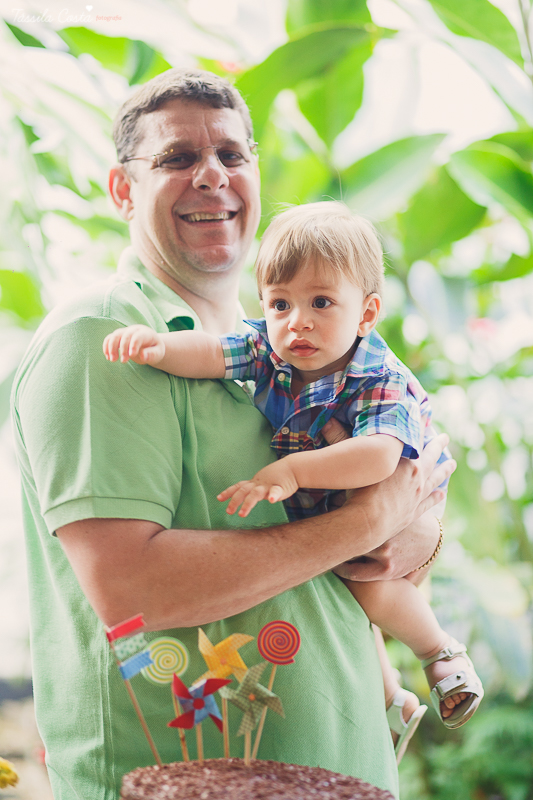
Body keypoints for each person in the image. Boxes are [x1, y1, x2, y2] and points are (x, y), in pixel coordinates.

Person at [11, 68, 454, 800]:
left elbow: (384, 532)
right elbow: (133, 588)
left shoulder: (289, 349)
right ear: (122, 191)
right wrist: (372, 517)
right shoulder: (104, 339)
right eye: (176, 158)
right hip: (179, 781)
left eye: (231, 156)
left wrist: (411, 528)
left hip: (334, 771)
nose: (210, 175)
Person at [104, 201, 483, 757]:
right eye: (279, 303)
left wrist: (293, 470)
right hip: (334, 507)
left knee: (369, 586)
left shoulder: (376, 376)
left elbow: (379, 459)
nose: (296, 321)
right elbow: (213, 353)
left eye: (321, 302)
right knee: (347, 586)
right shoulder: (270, 349)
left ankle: (441, 653)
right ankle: (390, 697)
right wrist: (160, 348)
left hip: (396, 490)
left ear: (367, 313)